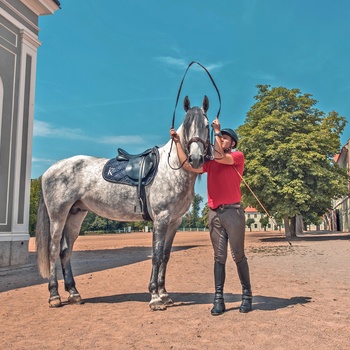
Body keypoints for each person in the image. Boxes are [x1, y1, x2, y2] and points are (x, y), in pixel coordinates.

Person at [170, 118, 252, 315]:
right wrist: (177, 142)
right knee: (219, 257)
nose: (221, 140)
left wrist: (215, 131)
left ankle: (247, 296)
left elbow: (219, 156)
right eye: (220, 137)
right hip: (214, 213)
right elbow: (186, 165)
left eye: (225, 138)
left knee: (238, 255)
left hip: (233, 212)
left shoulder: (237, 157)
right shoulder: (211, 163)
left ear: (232, 143)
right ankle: (218, 299)